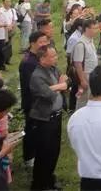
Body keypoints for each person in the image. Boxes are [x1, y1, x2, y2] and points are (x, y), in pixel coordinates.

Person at [29, 46, 67, 190]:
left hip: (56, 117)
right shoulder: (37, 76)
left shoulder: (53, 69)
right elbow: (47, 94)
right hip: (44, 119)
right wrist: (60, 85)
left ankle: (50, 179)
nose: (56, 58)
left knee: (54, 151)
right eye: (52, 56)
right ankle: (40, 184)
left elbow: (66, 82)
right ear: (42, 58)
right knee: (44, 152)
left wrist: (59, 86)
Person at [19, 32, 50, 169]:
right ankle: (29, 157)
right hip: (32, 102)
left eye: (46, 41)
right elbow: (32, 85)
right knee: (31, 130)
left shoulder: (39, 57)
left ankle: (38, 152)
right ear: (32, 43)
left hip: (42, 100)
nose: (45, 44)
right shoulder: (28, 62)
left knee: (40, 130)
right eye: (41, 42)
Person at [72, 19, 99, 109]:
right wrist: (82, 80)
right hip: (85, 75)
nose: (97, 31)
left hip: (92, 75)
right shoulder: (81, 44)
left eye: (97, 28)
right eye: (94, 28)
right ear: (87, 29)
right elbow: (78, 64)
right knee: (83, 101)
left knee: (91, 99)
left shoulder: (90, 40)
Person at [0, 0, 17, 66]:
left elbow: (14, 20)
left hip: (11, 29)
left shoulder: (12, 10)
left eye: (9, 1)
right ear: (3, 2)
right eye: (7, 1)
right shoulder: (0, 10)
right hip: (3, 30)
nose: (8, 3)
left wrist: (11, 26)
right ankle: (1, 62)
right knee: (2, 45)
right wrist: (6, 27)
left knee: (9, 45)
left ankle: (7, 60)